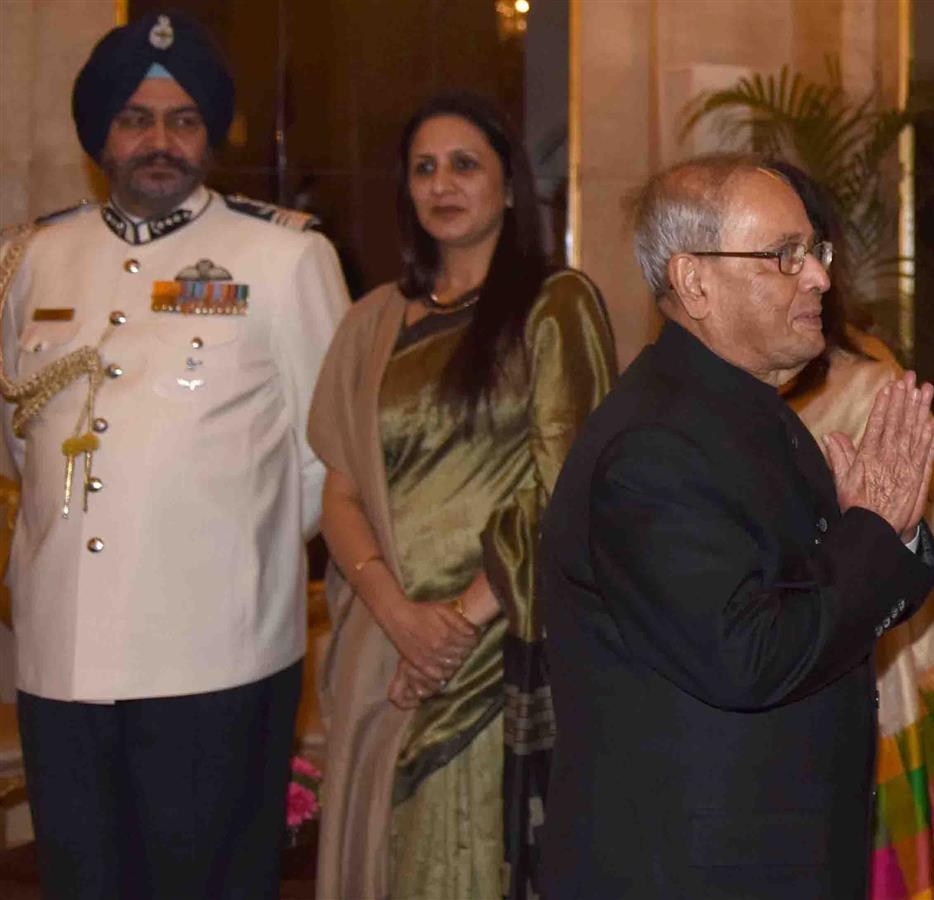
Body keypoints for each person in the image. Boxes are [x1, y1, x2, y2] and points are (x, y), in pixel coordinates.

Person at [0, 12, 347, 897]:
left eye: (184, 119)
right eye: (135, 118)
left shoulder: (283, 256)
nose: (160, 140)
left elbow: (328, 457)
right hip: (61, 656)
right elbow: (18, 449)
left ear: (210, 134)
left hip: (214, 655)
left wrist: (233, 552)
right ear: (101, 135)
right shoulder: (33, 260)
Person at [538, 154, 934, 899]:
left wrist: (886, 531)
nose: (819, 277)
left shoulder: (742, 411)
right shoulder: (656, 446)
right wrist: (869, 529)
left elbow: (823, 600)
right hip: (691, 867)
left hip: (765, 848)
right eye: (783, 256)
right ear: (694, 282)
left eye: (814, 251)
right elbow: (749, 654)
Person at [308, 91, 617, 899]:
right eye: (424, 168)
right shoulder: (373, 321)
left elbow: (573, 489)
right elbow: (339, 492)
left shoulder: (556, 306)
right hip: (384, 644)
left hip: (500, 647)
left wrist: (453, 628)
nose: (442, 184)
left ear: (510, 187)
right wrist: (399, 617)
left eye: (465, 164)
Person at [768, 161, 934, 900]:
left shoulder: (867, 389)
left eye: (799, 251)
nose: (793, 271)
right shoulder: (698, 400)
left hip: (861, 703)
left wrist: (868, 537)